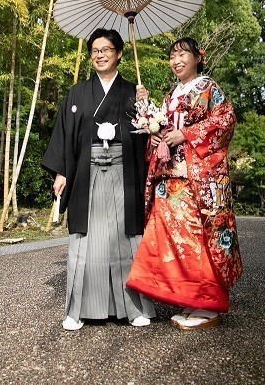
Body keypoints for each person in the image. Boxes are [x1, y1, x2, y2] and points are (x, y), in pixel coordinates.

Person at [42, 28, 156, 331]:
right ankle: (77, 311)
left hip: (123, 171)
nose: (100, 55)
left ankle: (133, 310)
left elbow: (150, 134)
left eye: (106, 49)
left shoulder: (133, 91)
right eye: (95, 50)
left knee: (124, 239)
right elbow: (65, 136)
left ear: (119, 54)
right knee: (86, 239)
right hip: (85, 171)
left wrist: (145, 107)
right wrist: (62, 172)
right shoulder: (77, 93)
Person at [126, 37, 242, 330]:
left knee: (198, 239)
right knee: (172, 241)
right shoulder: (169, 96)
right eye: (172, 56)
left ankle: (210, 304)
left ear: (197, 58)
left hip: (197, 180)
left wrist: (187, 134)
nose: (176, 61)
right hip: (170, 178)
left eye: (182, 55)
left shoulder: (209, 88)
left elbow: (225, 122)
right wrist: (151, 126)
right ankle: (191, 299)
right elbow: (161, 134)